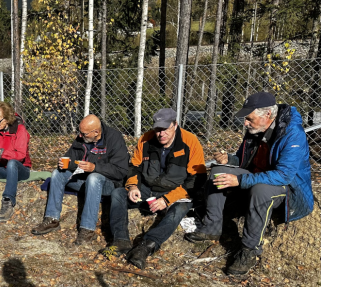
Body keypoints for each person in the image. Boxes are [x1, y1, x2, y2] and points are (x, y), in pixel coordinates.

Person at [184, 91, 314, 275]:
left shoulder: (293, 134)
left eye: (249, 118)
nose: (245, 123)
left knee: (261, 190)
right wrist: (228, 159)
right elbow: (244, 159)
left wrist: (241, 180)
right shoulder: (256, 129)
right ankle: (212, 227)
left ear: (267, 115)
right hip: (258, 177)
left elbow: (283, 175)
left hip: (289, 189)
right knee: (218, 172)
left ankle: (249, 250)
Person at [106, 108, 207, 269]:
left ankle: (146, 246)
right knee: (118, 193)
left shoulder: (190, 141)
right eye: (157, 130)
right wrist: (132, 186)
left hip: (175, 193)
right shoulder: (146, 139)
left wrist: (167, 200)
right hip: (147, 190)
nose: (161, 134)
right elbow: (134, 167)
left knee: (179, 209)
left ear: (175, 125)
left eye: (165, 129)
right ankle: (120, 240)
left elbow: (197, 179)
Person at [30, 115, 129, 245]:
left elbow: (121, 171)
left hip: (107, 184)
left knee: (94, 178)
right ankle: (52, 219)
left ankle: (87, 230)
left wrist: (95, 167)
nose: (80, 136)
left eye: (84, 133)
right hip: (84, 180)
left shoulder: (114, 139)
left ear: (96, 132)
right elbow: (70, 158)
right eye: (80, 132)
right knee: (57, 174)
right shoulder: (82, 138)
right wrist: (66, 164)